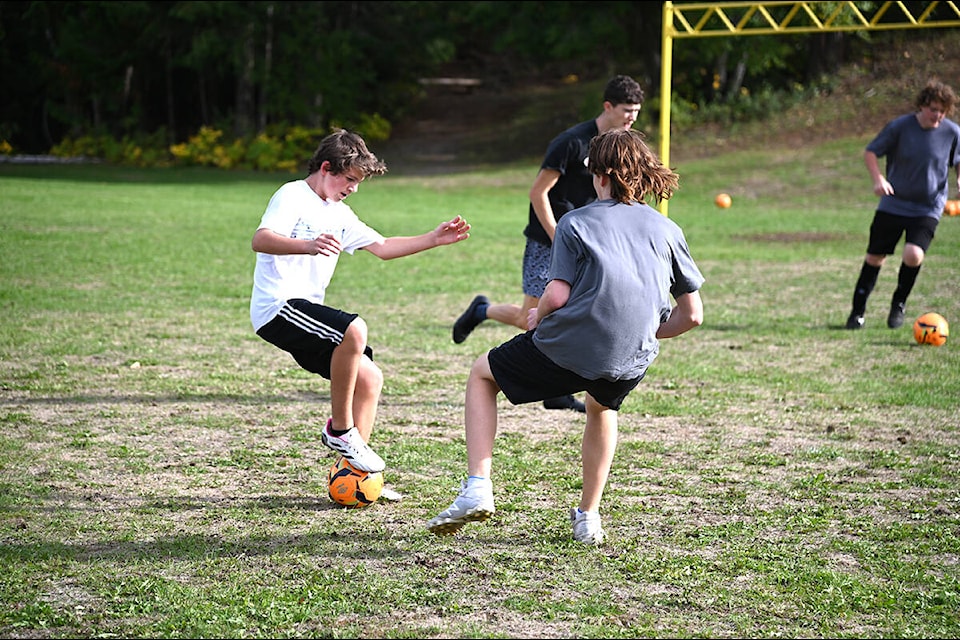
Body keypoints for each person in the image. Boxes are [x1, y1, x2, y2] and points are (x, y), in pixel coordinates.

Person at [428, 128, 704, 544]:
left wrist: (539, 312)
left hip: (571, 346)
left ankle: (478, 486)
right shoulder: (668, 229)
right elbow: (693, 315)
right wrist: (644, 333)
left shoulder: (576, 221)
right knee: (601, 407)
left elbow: (556, 294)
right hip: (631, 359)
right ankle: (589, 518)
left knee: (483, 375)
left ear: (601, 176)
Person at [250, 129, 471, 482]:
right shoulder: (292, 195)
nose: (353, 187)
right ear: (326, 167)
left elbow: (382, 247)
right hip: (278, 307)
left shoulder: (340, 213)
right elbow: (260, 240)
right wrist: (307, 245)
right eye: (350, 179)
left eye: (358, 182)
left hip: (304, 310)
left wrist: (433, 238)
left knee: (369, 378)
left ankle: (355, 479)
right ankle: (340, 429)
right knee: (353, 328)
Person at [451, 75, 646, 414]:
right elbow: (537, 192)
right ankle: (483, 311)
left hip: (588, 243)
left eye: (637, 112)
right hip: (550, 239)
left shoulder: (618, 147)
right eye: (627, 111)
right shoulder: (571, 142)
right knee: (536, 314)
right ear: (608, 107)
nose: (632, 118)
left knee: (565, 312)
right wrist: (559, 236)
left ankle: (556, 392)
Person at [845, 80, 960, 330]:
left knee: (913, 254)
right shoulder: (900, 127)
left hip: (928, 206)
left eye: (942, 110)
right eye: (933, 109)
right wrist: (878, 180)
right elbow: (871, 152)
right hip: (894, 203)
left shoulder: (952, 132)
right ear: (921, 105)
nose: (937, 115)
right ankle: (858, 312)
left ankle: (899, 303)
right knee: (875, 257)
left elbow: (958, 159)